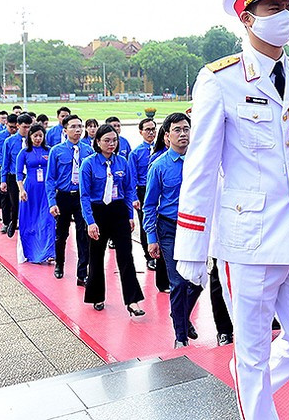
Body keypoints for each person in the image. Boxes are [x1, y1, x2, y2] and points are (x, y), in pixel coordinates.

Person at [173, 0, 289, 420]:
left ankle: (249, 377)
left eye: (288, 5)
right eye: (272, 7)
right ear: (246, 17)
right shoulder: (219, 80)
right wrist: (191, 248)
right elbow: (199, 167)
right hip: (249, 241)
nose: (284, 15)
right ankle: (256, 400)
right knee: (255, 351)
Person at [143, 112, 203, 347]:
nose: (183, 134)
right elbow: (149, 205)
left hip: (197, 229)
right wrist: (151, 238)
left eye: (186, 129)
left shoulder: (199, 161)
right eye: (177, 130)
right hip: (169, 228)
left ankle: (181, 315)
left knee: (197, 280)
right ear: (167, 136)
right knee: (177, 282)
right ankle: (180, 336)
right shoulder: (159, 166)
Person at [79, 123, 145, 315]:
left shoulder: (122, 162)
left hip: (118, 212)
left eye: (114, 140)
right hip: (97, 211)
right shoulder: (89, 164)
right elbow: (84, 196)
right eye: (107, 140)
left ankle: (133, 301)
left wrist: (130, 216)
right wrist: (90, 222)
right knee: (97, 256)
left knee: (126, 256)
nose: (111, 144)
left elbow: (128, 190)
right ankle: (97, 296)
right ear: (97, 142)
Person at [46, 114, 94, 285]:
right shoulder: (56, 151)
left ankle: (82, 273)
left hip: (81, 197)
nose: (78, 130)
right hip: (63, 197)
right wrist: (52, 202)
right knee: (62, 233)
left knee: (83, 234)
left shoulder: (88, 150)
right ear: (65, 130)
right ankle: (59, 264)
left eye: (80, 126)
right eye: (73, 127)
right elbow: (50, 179)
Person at [128, 118, 169, 290]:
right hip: (144, 190)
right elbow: (132, 176)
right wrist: (134, 197)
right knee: (147, 224)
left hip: (163, 191)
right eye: (147, 129)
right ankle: (149, 255)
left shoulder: (164, 152)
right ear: (141, 132)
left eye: (153, 129)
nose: (151, 132)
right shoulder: (136, 153)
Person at [15, 124, 55, 264]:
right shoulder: (24, 153)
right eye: (35, 136)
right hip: (30, 189)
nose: (38, 138)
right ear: (30, 137)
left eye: (40, 136)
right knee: (30, 221)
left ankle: (49, 252)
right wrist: (21, 189)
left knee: (48, 220)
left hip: (46, 190)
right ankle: (31, 251)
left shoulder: (49, 151)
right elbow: (19, 173)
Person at [1, 114, 33, 237]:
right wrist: (3, 180)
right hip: (14, 176)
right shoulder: (9, 141)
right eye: (24, 127)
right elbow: (5, 162)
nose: (27, 130)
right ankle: (13, 221)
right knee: (15, 203)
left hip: (29, 177)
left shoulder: (33, 141)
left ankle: (28, 225)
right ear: (18, 126)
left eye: (29, 127)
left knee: (29, 202)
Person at [0, 114, 17, 229]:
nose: (14, 130)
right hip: (3, 169)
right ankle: (6, 223)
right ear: (6, 125)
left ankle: (15, 221)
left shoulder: (23, 139)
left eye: (16, 127)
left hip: (18, 172)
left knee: (17, 199)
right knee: (5, 196)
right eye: (11, 127)